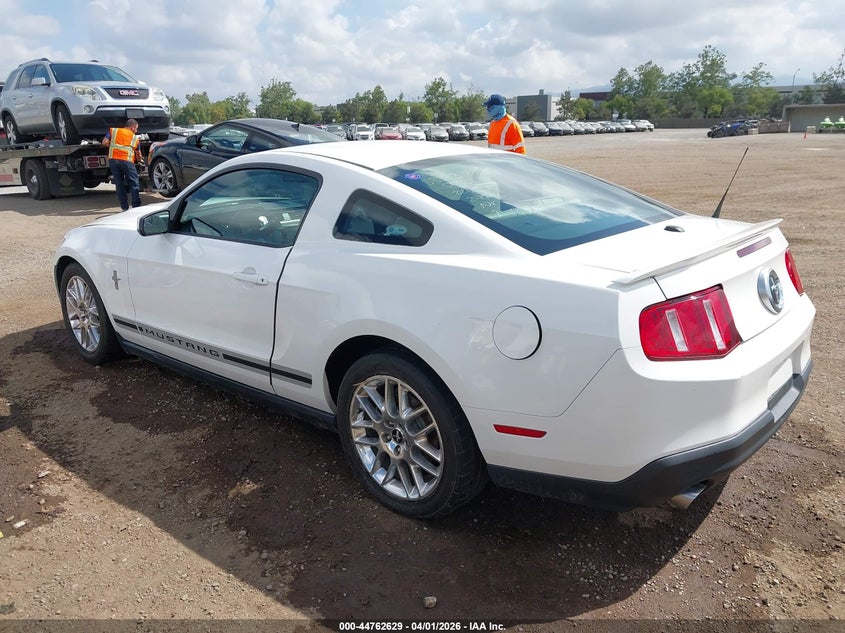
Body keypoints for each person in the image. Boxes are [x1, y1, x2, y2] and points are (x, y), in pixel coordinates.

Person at [102, 118, 143, 211]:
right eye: (136, 128)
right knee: (133, 183)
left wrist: (113, 146)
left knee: (119, 183)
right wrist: (140, 160)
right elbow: (139, 154)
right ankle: (136, 206)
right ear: (132, 127)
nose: (136, 131)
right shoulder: (135, 138)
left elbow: (104, 142)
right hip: (127, 161)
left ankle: (124, 207)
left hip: (113, 160)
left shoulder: (114, 131)